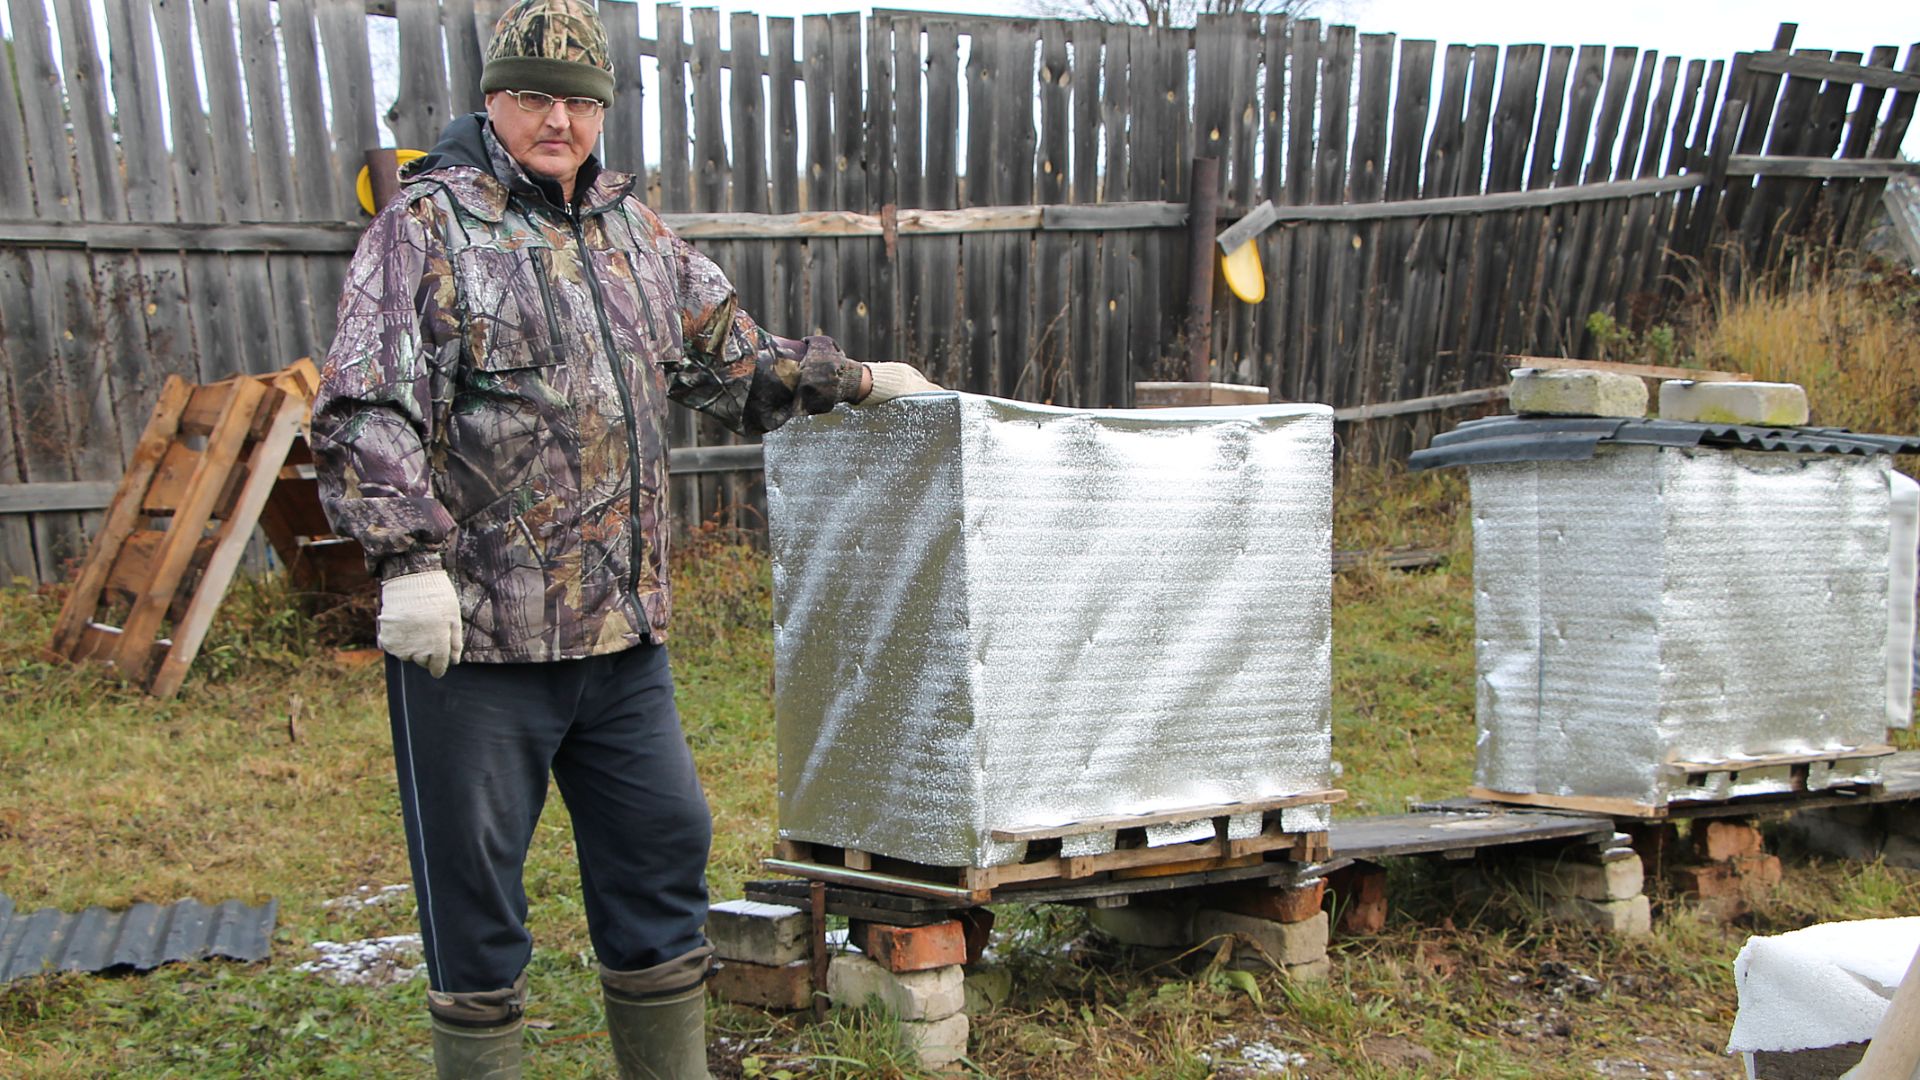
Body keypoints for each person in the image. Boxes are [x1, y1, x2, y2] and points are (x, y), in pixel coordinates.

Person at [310, 2, 938, 1076]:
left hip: (620, 638)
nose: (558, 121)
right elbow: (365, 406)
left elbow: (731, 360)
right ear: (492, 101)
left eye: (578, 102)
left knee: (664, 845)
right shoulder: (424, 228)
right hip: (476, 641)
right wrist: (409, 562)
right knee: (475, 896)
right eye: (532, 98)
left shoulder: (631, 231)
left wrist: (860, 380)